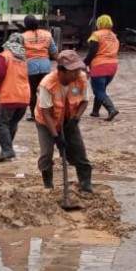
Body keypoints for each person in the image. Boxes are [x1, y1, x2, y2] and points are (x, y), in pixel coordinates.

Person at [33, 49, 92, 193]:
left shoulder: (81, 78)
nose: (77, 73)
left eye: (78, 69)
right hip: (46, 123)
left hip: (69, 120)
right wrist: (56, 136)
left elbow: (84, 101)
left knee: (80, 153)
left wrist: (76, 118)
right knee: (46, 154)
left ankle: (85, 184)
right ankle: (48, 184)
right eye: (73, 71)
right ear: (62, 70)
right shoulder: (47, 84)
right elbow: (45, 113)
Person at [0, 32, 29, 162]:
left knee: (2, 123)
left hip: (10, 97)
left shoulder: (4, 55)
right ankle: (7, 148)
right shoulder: (23, 59)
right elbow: (17, 78)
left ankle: (7, 150)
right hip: (24, 97)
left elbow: (0, 74)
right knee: (12, 123)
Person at [21, 14, 58, 122]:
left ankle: (34, 114)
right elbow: (54, 52)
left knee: (32, 92)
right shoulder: (47, 34)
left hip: (30, 67)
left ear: (26, 24)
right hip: (45, 66)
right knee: (45, 91)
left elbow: (19, 54)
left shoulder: (23, 36)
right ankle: (47, 113)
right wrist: (63, 62)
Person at [84, 14, 120, 121]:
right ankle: (95, 112)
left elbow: (92, 52)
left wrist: (84, 63)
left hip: (99, 66)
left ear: (99, 23)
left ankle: (111, 109)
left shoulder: (96, 35)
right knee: (101, 89)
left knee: (98, 90)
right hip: (113, 66)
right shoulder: (114, 36)